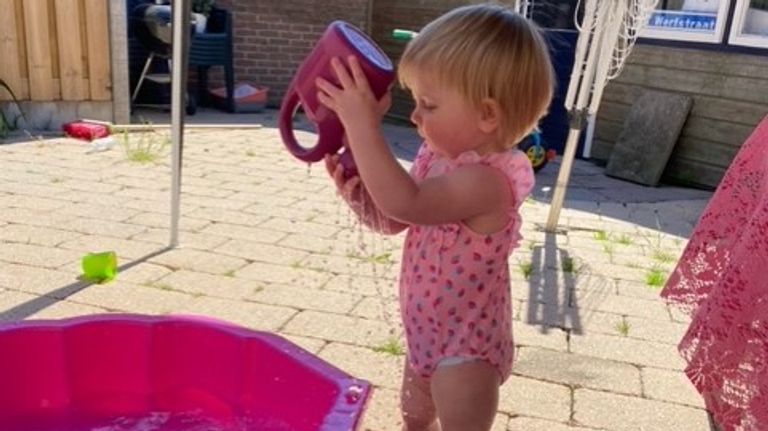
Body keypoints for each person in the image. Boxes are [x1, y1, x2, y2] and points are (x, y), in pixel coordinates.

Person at [316, 4, 554, 430]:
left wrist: (361, 125)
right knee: (415, 421)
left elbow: (404, 203)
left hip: (466, 353)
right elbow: (395, 219)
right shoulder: (436, 158)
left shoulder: (487, 182)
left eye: (428, 104)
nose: (414, 117)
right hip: (424, 335)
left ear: (487, 115)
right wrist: (359, 197)